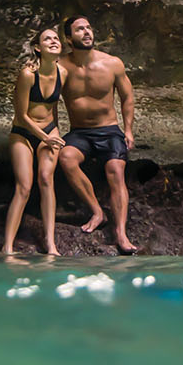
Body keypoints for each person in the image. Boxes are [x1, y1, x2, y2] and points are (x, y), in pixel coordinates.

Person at [59, 13, 137, 254]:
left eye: (89, 28)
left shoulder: (112, 63)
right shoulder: (60, 66)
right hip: (80, 132)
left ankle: (121, 234)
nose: (87, 32)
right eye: (80, 29)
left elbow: (127, 97)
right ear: (69, 38)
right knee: (66, 158)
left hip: (109, 130)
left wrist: (128, 130)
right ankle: (97, 212)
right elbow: (47, 97)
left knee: (115, 169)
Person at [2, 24, 66, 259]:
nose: (53, 41)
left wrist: (55, 133)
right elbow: (21, 115)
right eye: (47, 39)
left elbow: (55, 106)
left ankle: (51, 244)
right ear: (38, 48)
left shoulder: (63, 73)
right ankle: (7, 247)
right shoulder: (28, 74)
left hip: (50, 131)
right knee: (25, 187)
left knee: (46, 179)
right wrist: (44, 137)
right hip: (24, 132)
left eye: (56, 38)